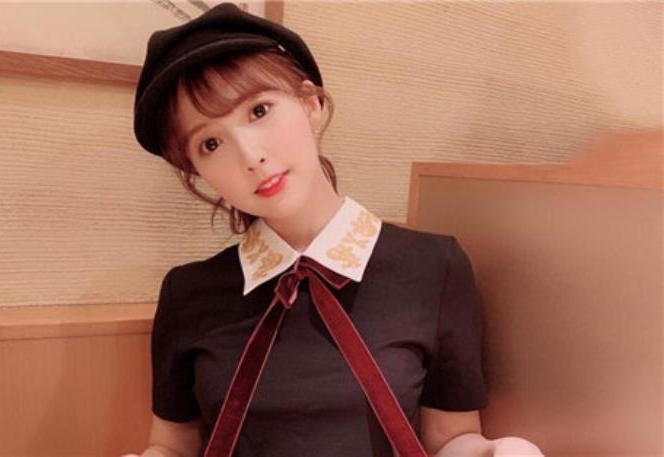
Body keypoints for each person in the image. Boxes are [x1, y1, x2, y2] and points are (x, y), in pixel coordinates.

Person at [123, 3, 545, 457]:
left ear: (311, 104)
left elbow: (450, 436)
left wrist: (499, 452)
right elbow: (173, 446)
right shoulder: (188, 293)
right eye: (210, 143)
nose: (249, 156)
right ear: (199, 170)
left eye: (259, 110)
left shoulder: (433, 267)